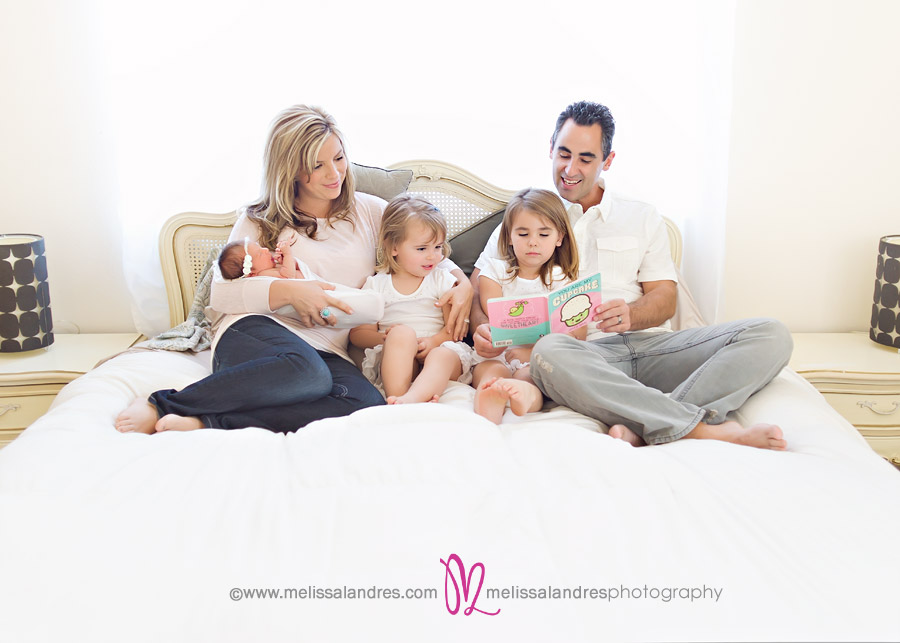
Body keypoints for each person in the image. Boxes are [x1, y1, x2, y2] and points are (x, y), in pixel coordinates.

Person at [115, 104, 472, 435]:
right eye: (318, 165)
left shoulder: (371, 211)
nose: (335, 173)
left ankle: (208, 420)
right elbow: (221, 292)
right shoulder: (260, 220)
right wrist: (291, 292)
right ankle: (162, 403)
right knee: (307, 373)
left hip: (328, 349)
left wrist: (462, 283)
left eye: (339, 157)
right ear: (291, 170)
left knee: (364, 403)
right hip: (256, 335)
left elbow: (424, 243)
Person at [468, 100, 792, 450]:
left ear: (607, 161)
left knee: (770, 334)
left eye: (586, 158)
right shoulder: (527, 216)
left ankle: (647, 423)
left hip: (650, 347)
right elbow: (481, 292)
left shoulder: (641, 216)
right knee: (550, 350)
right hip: (580, 359)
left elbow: (666, 299)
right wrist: (479, 327)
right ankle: (702, 429)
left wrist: (631, 314)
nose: (570, 168)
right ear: (550, 149)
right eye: (563, 153)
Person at [471, 187, 584, 424]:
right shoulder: (494, 272)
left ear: (559, 238)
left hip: (539, 359)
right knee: (491, 371)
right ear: (509, 237)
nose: (533, 242)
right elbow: (496, 321)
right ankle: (490, 402)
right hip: (498, 355)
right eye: (523, 234)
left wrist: (532, 352)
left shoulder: (564, 280)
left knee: (531, 377)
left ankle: (522, 396)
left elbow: (577, 334)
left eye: (544, 235)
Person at [349, 195, 475, 404]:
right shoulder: (377, 285)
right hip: (399, 358)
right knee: (402, 334)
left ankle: (412, 398)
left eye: (438, 247)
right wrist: (389, 339)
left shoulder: (442, 280)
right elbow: (358, 334)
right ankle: (398, 397)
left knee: (441, 356)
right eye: (422, 248)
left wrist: (434, 342)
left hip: (439, 351)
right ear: (393, 247)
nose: (433, 256)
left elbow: (455, 328)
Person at [218, 238, 298, 280]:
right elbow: (289, 277)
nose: (266, 250)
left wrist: (284, 262)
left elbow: (294, 269)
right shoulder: (263, 275)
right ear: (251, 273)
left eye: (260, 248)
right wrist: (287, 254)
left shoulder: (268, 268)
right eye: (260, 253)